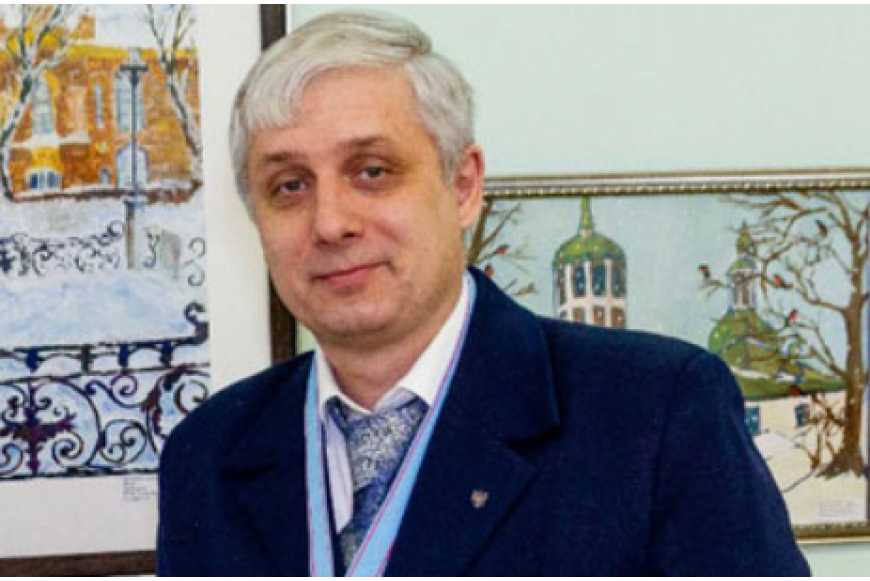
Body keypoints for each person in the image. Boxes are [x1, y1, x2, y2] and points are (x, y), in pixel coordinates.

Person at [157, 10, 810, 576]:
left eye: (372, 171)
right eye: (290, 186)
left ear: (464, 185)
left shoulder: (654, 414)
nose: (330, 222)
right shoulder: (208, 456)